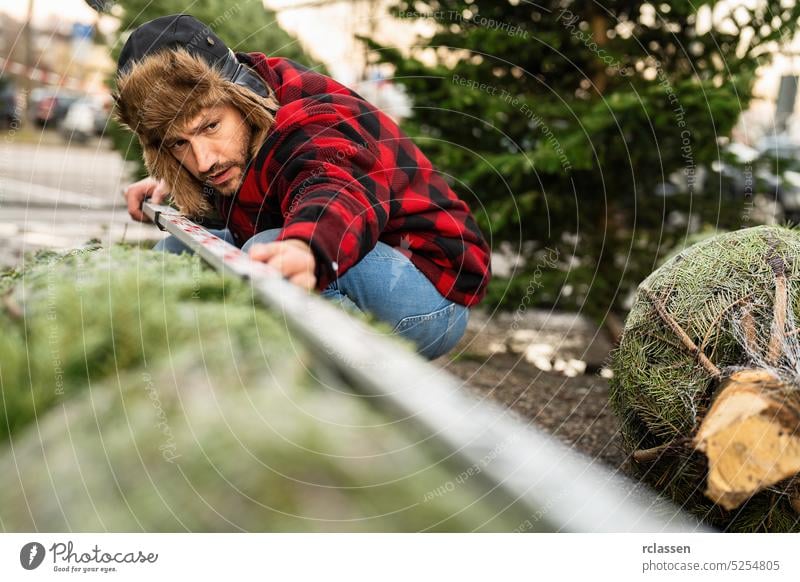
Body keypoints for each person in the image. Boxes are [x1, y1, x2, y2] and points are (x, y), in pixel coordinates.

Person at [115, 14, 491, 360]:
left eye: (210, 126)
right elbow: (242, 184)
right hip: (355, 262)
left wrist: (305, 246)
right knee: (180, 250)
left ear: (241, 94)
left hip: (433, 291)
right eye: (179, 143)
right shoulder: (235, 137)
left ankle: (345, 401)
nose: (203, 161)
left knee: (267, 250)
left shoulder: (313, 122)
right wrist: (172, 181)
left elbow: (335, 187)